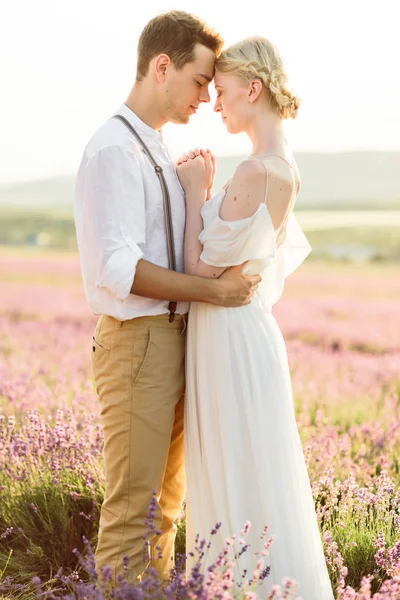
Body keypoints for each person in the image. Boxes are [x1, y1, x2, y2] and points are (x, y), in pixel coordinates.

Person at [73, 12, 261, 585]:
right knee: (134, 510)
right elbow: (121, 270)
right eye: (201, 80)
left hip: (176, 342)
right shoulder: (113, 151)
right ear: (162, 67)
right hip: (138, 345)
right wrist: (216, 291)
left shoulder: (154, 147)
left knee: (166, 510)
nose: (207, 97)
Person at [178, 37, 335, 598]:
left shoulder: (254, 172)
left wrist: (197, 193)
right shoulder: (285, 167)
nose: (215, 105)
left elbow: (201, 270)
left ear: (254, 87)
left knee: (234, 471)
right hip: (245, 333)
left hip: (227, 335)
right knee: (257, 472)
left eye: (221, 92)